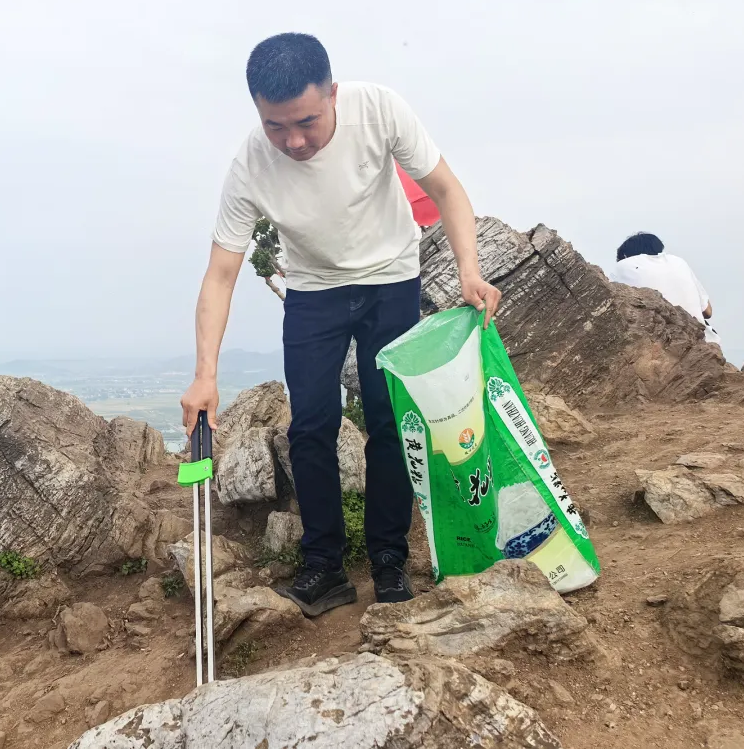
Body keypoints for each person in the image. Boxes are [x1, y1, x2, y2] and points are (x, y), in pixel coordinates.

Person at [179, 32, 502, 617]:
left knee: (386, 419)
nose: (292, 141)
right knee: (311, 427)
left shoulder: (378, 109)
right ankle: (324, 565)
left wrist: (469, 271)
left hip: (390, 280)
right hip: (314, 292)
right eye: (276, 126)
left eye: (304, 121)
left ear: (332, 92)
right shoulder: (252, 163)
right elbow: (220, 274)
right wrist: (205, 374)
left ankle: (388, 559)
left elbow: (447, 190)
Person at [609, 232, 721, 348]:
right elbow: (708, 312)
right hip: (702, 340)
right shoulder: (679, 262)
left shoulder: (623, 266)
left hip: (656, 342)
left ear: (626, 255)